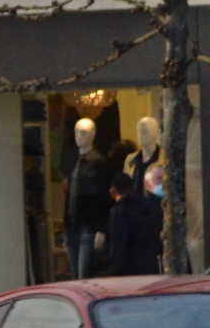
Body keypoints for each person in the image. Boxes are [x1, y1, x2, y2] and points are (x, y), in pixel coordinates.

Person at [67, 117, 113, 278]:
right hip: (72, 226)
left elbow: (103, 197)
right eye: (76, 132)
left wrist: (101, 229)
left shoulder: (99, 163)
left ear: (93, 134)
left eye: (83, 132)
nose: (79, 136)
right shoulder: (74, 160)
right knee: (75, 275)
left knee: (83, 275)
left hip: (90, 227)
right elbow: (69, 192)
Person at [107, 165, 165, 275]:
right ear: (133, 187)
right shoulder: (152, 208)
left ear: (112, 191)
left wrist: (114, 272)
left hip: (130, 271)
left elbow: (118, 246)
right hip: (153, 268)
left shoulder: (119, 212)